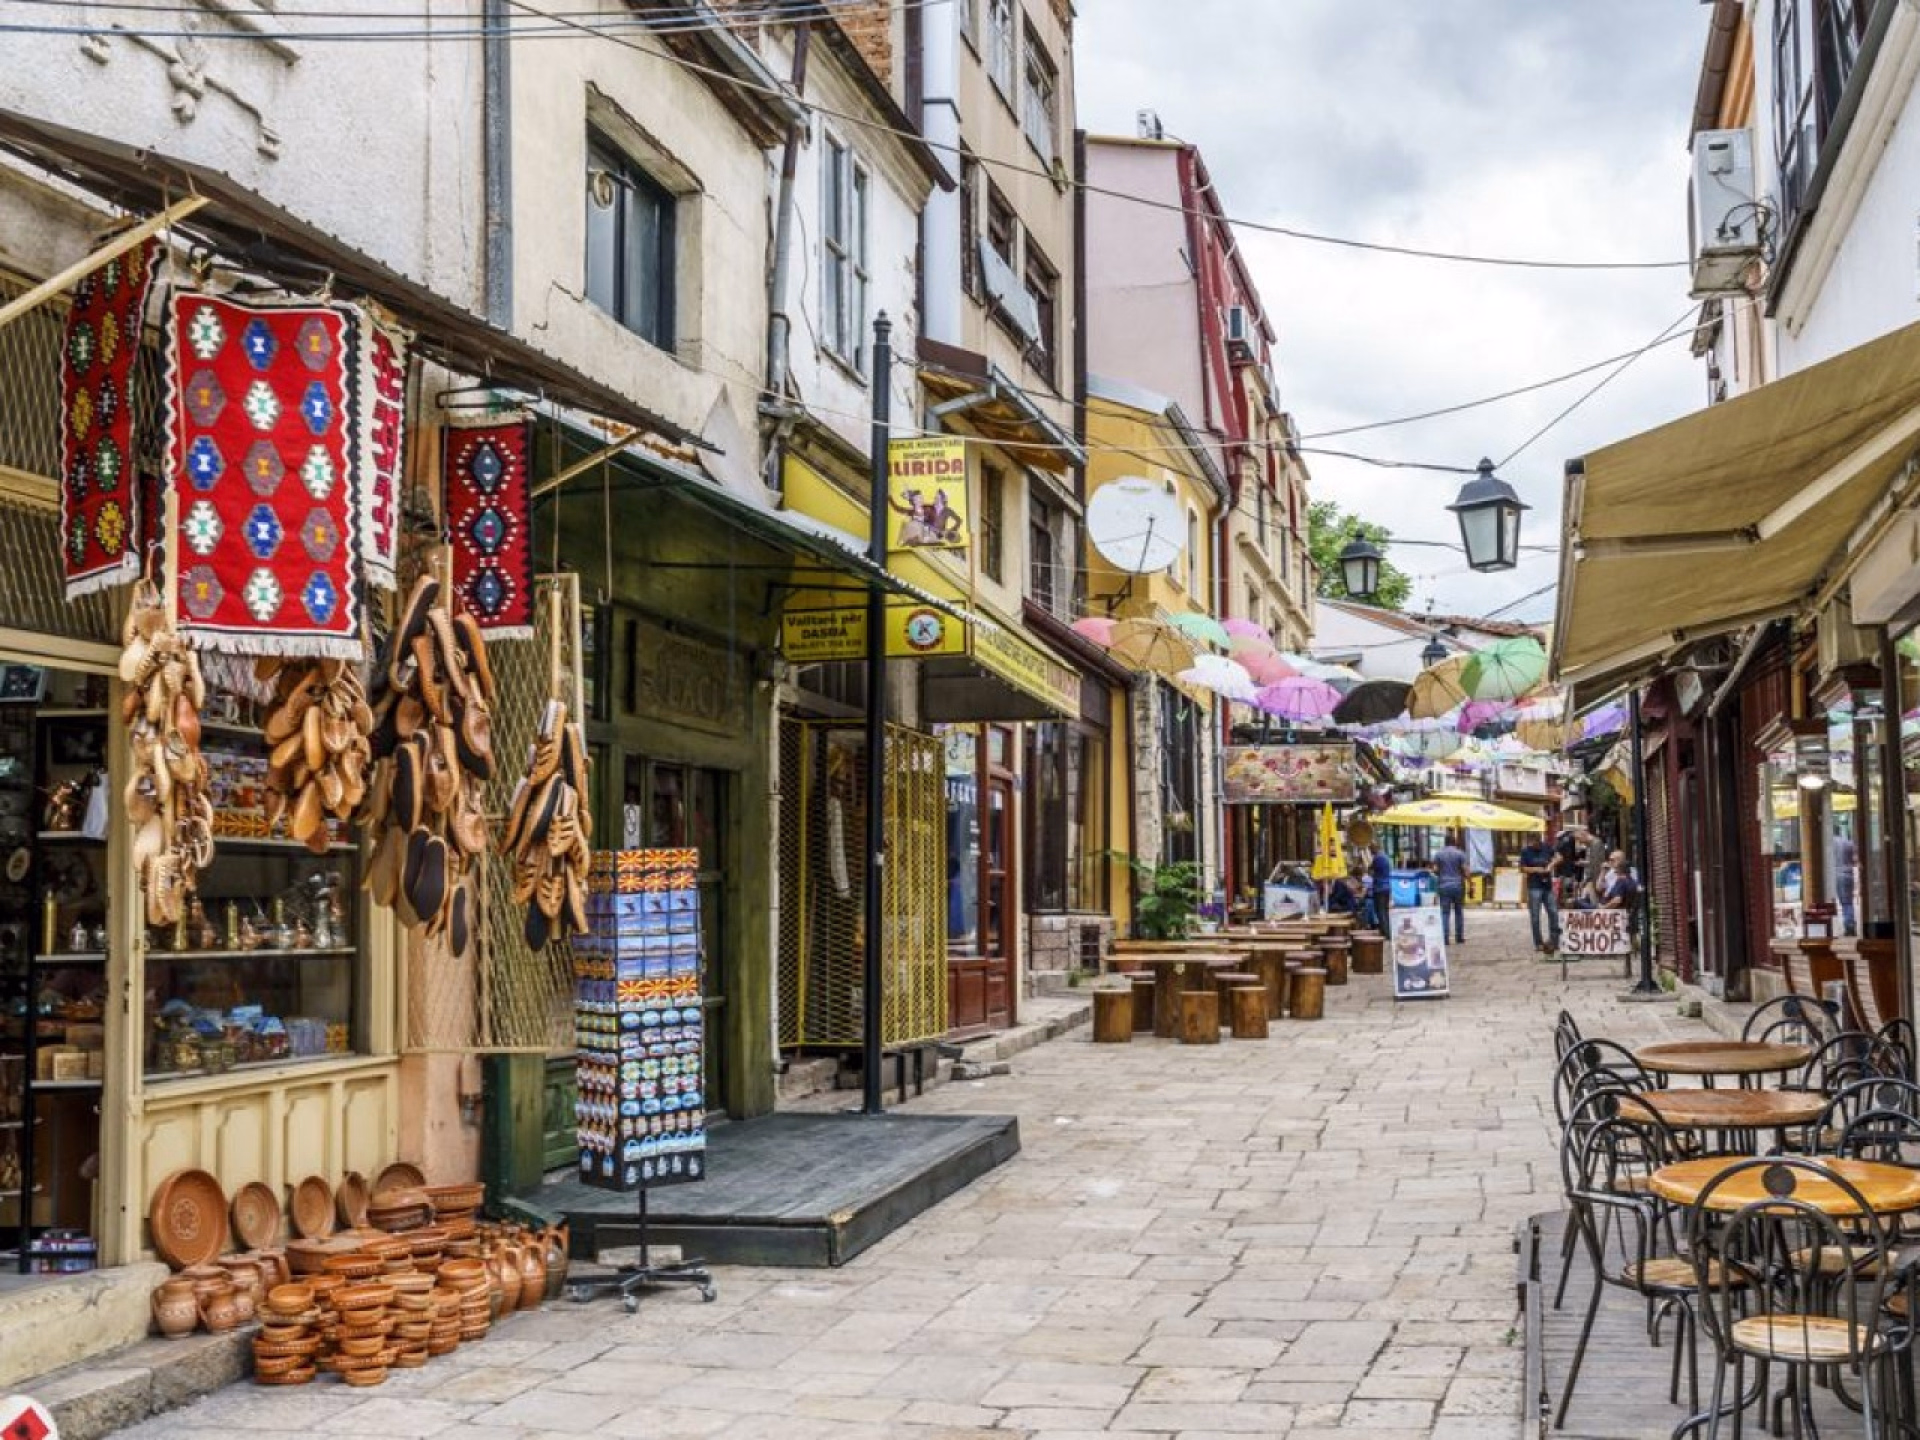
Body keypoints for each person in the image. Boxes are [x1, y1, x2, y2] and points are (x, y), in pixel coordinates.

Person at [1518, 830, 1561, 954]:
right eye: (1531, 843)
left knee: (1553, 912)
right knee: (1535, 916)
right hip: (1534, 886)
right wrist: (1536, 869)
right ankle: (1538, 943)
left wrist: (1551, 865)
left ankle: (1554, 941)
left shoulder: (1547, 847)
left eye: (1535, 843)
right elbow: (1522, 868)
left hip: (1547, 886)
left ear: (1539, 841)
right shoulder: (1526, 851)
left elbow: (1559, 857)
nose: (1533, 845)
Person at [1433, 831, 1468, 946]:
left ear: (1445, 842)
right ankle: (1459, 937)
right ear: (1455, 842)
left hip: (1443, 885)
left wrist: (1441, 873)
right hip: (1458, 885)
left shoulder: (1438, 854)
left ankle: (1445, 938)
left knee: (1444, 912)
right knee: (1458, 911)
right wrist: (1469, 881)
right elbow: (1465, 870)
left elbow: (1435, 870)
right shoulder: (1460, 854)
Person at [1834, 832, 1857, 937]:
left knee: (1844, 902)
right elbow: (1855, 859)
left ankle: (1849, 926)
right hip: (1849, 873)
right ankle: (1850, 925)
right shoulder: (1849, 843)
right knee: (1848, 902)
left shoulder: (1831, 843)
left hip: (1838, 874)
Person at [1369, 846, 1393, 936]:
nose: (1371, 852)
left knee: (1380, 911)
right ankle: (1388, 931)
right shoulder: (1386, 857)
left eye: (1371, 850)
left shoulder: (1377, 858)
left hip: (1379, 888)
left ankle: (1385, 933)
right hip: (1387, 887)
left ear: (1374, 849)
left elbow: (1371, 870)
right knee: (1385, 911)